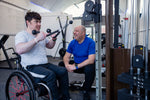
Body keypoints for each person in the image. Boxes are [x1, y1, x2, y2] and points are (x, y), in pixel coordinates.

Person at [15, 11, 70, 100]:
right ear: (28, 22)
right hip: (31, 66)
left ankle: (65, 97)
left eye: (40, 21)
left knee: (63, 71)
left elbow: (50, 46)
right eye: (36, 22)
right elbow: (19, 50)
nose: (39, 24)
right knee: (50, 75)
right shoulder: (22, 35)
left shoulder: (40, 34)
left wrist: (54, 39)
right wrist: (37, 39)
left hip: (44, 64)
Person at [62, 25, 95, 100]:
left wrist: (76, 66)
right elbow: (66, 56)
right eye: (74, 31)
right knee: (61, 65)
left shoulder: (91, 42)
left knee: (90, 67)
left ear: (83, 33)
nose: (74, 33)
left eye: (76, 31)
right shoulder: (72, 43)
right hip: (76, 64)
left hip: (85, 65)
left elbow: (91, 60)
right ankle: (63, 88)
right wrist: (67, 65)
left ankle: (86, 90)